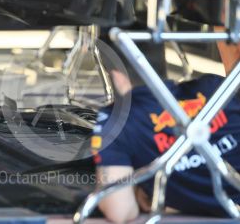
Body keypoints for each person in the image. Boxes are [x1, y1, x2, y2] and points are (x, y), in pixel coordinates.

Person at [93, 41, 240, 223]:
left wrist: (139, 192)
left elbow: (120, 212)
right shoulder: (218, 88)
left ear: (116, 76)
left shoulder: (116, 120)